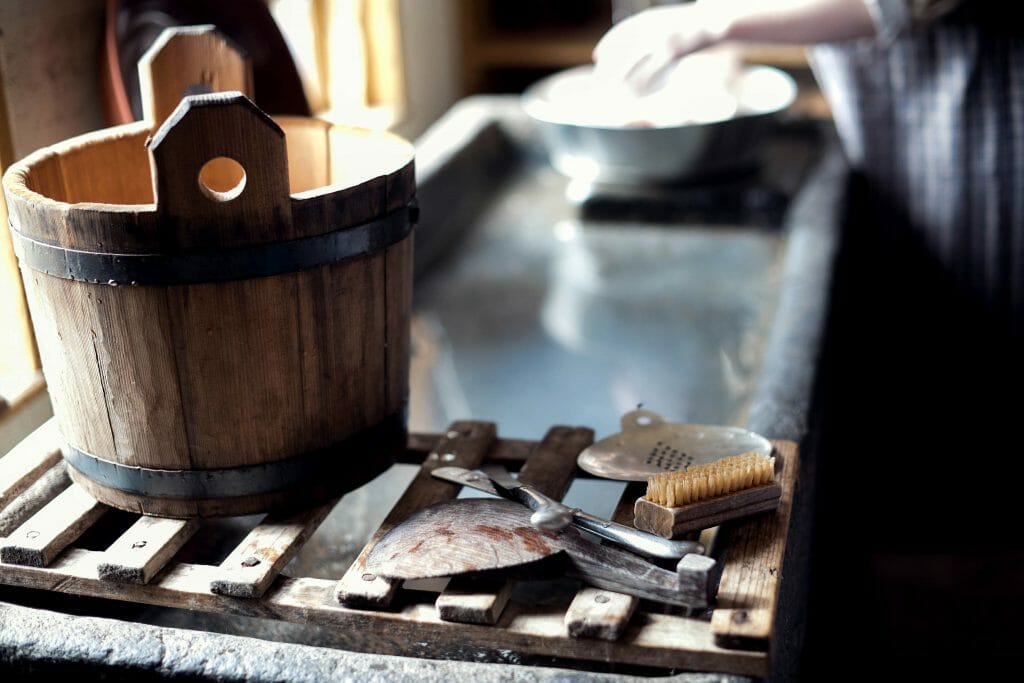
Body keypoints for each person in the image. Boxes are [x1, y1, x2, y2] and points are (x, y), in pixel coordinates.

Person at [594, 1, 1024, 678]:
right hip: (901, 148)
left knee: (981, 418)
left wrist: (709, 21)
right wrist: (710, 57)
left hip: (983, 150)